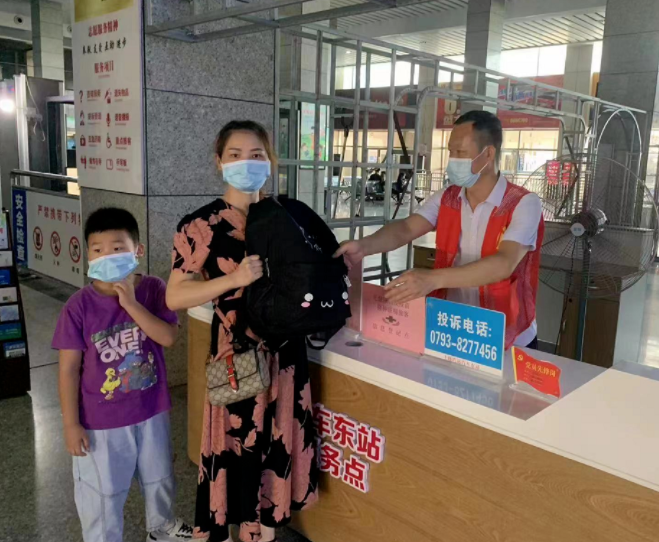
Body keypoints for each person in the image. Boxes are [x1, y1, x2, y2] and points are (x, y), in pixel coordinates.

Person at [166, 120, 318, 542]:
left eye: (256, 155)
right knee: (240, 446)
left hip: (286, 355)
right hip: (236, 355)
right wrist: (234, 280)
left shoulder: (289, 216)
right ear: (219, 162)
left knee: (275, 446)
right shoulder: (201, 225)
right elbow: (175, 295)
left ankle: (264, 536)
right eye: (235, 155)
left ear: (270, 161)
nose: (246, 163)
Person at [336, 110, 543, 349]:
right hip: (451, 328)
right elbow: (406, 228)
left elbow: (503, 264)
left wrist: (432, 279)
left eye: (460, 153)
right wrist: (364, 246)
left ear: (488, 154)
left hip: (504, 335)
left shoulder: (523, 203)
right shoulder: (448, 197)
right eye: (450, 152)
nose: (452, 160)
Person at [53, 208, 194, 542]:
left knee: (159, 477)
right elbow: (69, 369)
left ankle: (161, 528)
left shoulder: (153, 289)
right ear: (88, 255)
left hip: (151, 409)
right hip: (100, 420)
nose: (107, 256)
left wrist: (130, 304)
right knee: (102, 492)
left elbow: (168, 337)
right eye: (98, 250)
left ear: (137, 250)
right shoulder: (78, 306)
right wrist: (71, 425)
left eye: (117, 248)